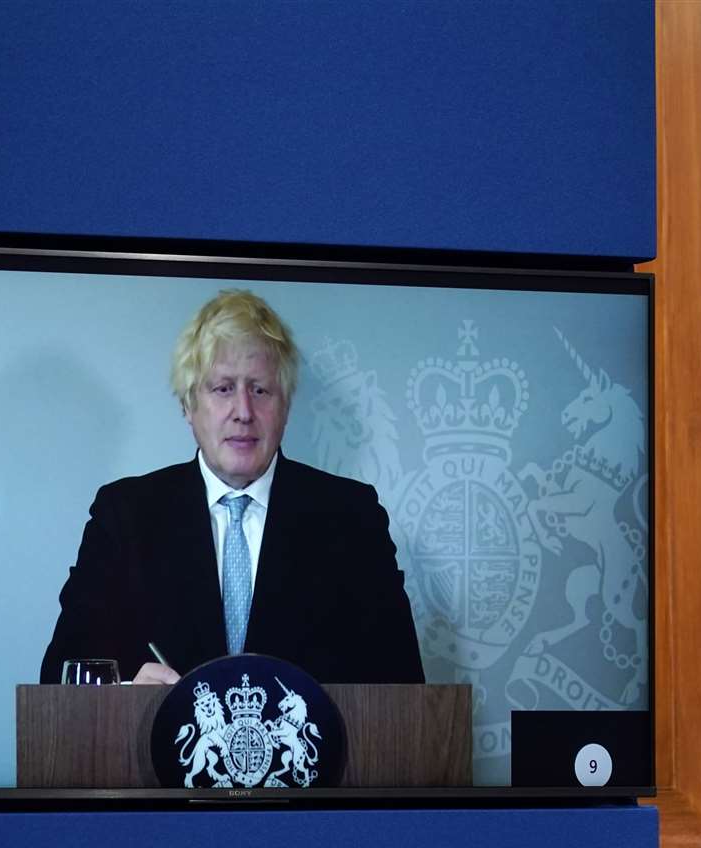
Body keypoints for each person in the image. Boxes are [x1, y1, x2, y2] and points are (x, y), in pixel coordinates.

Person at [39, 289, 425, 686]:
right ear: (188, 405)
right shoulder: (124, 515)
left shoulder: (352, 517)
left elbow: (405, 687)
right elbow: (63, 676)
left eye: (260, 390)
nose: (243, 412)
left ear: (286, 407)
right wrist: (125, 697)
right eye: (223, 388)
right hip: (153, 748)